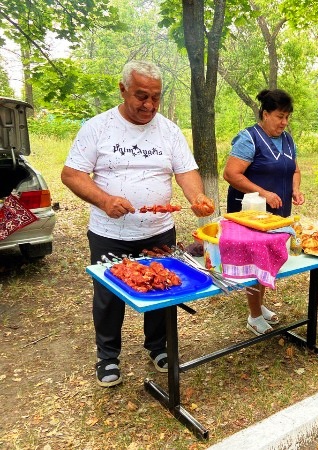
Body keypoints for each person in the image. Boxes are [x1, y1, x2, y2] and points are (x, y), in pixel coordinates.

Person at [61, 60, 214, 387]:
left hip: (159, 230)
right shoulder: (98, 127)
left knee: (163, 290)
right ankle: (108, 356)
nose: (149, 105)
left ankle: (157, 346)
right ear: (123, 89)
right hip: (109, 233)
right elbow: (72, 174)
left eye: (155, 98)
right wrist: (104, 200)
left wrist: (197, 197)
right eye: (141, 96)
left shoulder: (169, 130)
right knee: (108, 297)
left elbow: (185, 171)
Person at [223, 89, 305, 335]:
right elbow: (231, 174)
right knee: (254, 260)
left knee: (268, 258)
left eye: (287, 117)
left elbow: (294, 170)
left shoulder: (288, 139)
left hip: (277, 213)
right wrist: (263, 193)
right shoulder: (249, 138)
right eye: (280, 116)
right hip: (250, 212)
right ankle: (254, 314)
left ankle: (259, 303)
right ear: (265, 113)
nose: (284, 122)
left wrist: (296, 190)